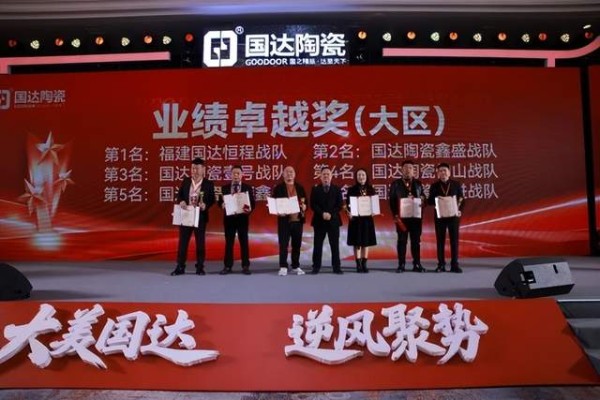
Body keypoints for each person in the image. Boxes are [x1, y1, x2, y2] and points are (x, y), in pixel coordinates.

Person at [171, 157, 215, 276]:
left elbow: (212, 199)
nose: (194, 171)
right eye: (192, 168)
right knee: (183, 242)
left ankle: (200, 267)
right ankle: (180, 266)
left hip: (200, 216)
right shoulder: (186, 181)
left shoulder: (208, 184)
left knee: (200, 242)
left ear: (203, 169)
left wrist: (205, 205)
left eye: (197, 168)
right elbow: (179, 195)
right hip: (186, 214)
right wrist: (181, 201)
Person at [427, 162, 465, 273]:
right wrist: (435, 198)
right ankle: (441, 264)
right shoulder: (434, 186)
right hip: (440, 217)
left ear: (449, 172)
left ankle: (454, 265)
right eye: (440, 171)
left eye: (445, 170)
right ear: (437, 174)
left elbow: (462, 199)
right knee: (440, 241)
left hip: (453, 216)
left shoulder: (456, 184)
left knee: (454, 241)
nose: (443, 172)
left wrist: (459, 210)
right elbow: (430, 201)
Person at [389, 160, 426, 273]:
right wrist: (395, 215)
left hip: (415, 217)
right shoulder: (396, 184)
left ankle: (417, 264)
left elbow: (423, 198)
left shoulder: (418, 184)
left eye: (410, 168)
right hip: (402, 218)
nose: (408, 170)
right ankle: (401, 264)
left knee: (416, 241)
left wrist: (423, 200)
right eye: (405, 168)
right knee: (402, 241)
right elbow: (391, 201)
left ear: (413, 170)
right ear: (401, 170)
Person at [218, 165, 255, 275]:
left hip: (242, 219)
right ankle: (227, 266)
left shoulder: (247, 188)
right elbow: (219, 202)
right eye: (234, 173)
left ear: (242, 175)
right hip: (229, 220)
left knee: (244, 242)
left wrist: (248, 209)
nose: (236, 175)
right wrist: (221, 205)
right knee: (229, 243)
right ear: (230, 175)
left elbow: (252, 203)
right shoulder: (224, 188)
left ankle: (245, 266)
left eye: (238, 173)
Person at [273, 166, 307, 276]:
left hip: (297, 220)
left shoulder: (300, 188)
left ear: (294, 174)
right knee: (283, 244)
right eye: (287, 172)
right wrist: (278, 211)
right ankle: (283, 266)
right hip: (284, 221)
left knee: (296, 244)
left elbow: (305, 202)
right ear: (283, 174)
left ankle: (295, 265)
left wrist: (305, 206)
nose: (289, 174)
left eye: (291, 172)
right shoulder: (278, 188)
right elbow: (273, 203)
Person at [309, 167, 343, 275]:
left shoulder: (337, 189)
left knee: (335, 245)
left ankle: (336, 267)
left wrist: (330, 214)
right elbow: (313, 204)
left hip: (333, 221)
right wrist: (322, 213)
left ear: (331, 176)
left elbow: (339, 205)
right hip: (319, 220)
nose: (326, 176)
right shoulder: (315, 189)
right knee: (317, 245)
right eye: (324, 174)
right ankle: (316, 266)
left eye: (328, 174)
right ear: (320, 177)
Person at [345, 168, 377, 273]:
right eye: (359, 175)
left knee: (366, 242)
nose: (361, 177)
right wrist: (349, 212)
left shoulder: (371, 189)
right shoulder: (351, 190)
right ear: (356, 177)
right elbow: (347, 205)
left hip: (367, 219)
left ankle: (364, 264)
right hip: (356, 220)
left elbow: (374, 204)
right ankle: (358, 264)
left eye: (363, 175)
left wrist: (374, 211)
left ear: (366, 176)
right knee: (357, 242)